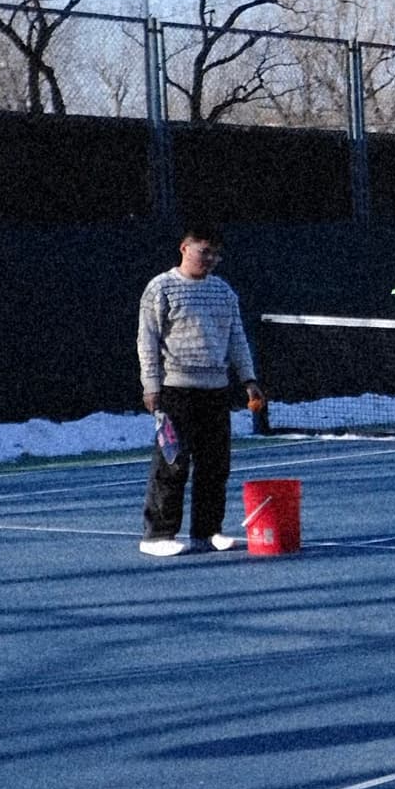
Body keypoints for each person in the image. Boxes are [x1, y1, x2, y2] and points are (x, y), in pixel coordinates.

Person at [137, 224, 264, 557]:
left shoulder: (223, 291)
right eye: (204, 251)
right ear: (184, 248)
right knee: (172, 464)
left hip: (216, 391)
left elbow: (237, 338)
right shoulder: (160, 288)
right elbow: (147, 340)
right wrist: (151, 386)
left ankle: (206, 532)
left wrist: (249, 379)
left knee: (215, 465)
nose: (210, 259)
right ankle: (157, 536)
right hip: (175, 391)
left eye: (216, 255)